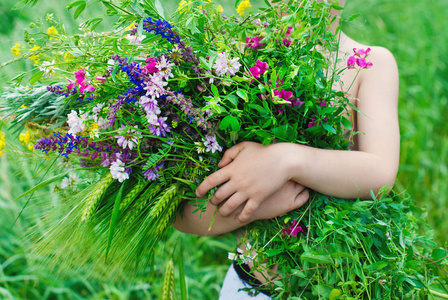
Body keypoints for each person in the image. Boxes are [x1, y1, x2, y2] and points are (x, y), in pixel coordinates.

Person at [173, 0, 400, 298]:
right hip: (252, 288)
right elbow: (183, 214)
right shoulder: (229, 63)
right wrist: (252, 210)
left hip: (343, 289)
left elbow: (380, 172)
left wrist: (286, 159)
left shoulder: (371, 64)